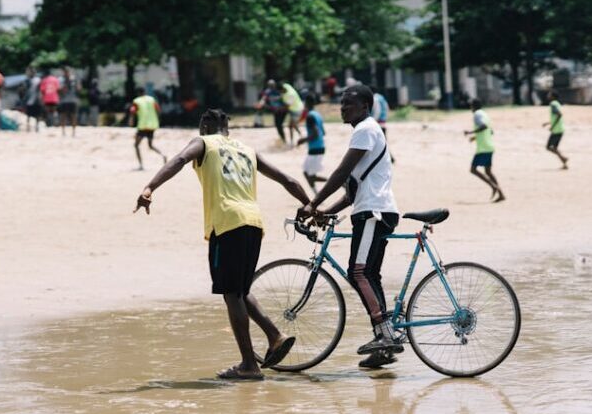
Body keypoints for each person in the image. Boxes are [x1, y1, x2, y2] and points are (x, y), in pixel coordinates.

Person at [133, 108, 311, 380]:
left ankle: (249, 365)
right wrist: (310, 205)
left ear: (204, 126)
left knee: (231, 293)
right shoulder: (247, 149)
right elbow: (288, 179)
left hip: (227, 223)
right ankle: (275, 335)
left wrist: (149, 187)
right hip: (254, 222)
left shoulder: (203, 143)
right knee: (240, 288)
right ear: (228, 127)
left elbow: (180, 159)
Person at [297, 84, 402, 370]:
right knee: (368, 274)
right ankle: (384, 343)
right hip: (373, 209)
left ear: (365, 107)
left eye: (349, 104)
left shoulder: (365, 129)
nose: (343, 108)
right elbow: (352, 191)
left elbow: (341, 172)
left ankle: (385, 334)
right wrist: (324, 212)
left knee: (358, 272)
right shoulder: (366, 131)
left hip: (373, 212)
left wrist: (312, 203)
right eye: (342, 104)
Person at [465, 99, 505, 202]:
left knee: (473, 169)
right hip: (489, 146)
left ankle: (494, 187)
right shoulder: (485, 114)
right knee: (488, 171)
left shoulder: (477, 115)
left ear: (473, 106)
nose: (470, 108)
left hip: (483, 148)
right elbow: (490, 131)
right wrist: (475, 137)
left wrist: (470, 132)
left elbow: (484, 126)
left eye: (470, 106)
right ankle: (501, 195)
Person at [296, 93, 327, 194]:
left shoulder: (310, 116)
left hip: (315, 149)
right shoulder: (317, 115)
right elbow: (323, 132)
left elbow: (315, 134)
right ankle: (317, 195)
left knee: (309, 175)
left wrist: (302, 140)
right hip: (320, 147)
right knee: (307, 173)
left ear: (306, 103)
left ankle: (338, 183)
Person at [130, 87, 167, 170]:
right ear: (144, 92)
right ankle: (163, 155)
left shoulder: (136, 101)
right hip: (153, 125)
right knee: (150, 145)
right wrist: (157, 120)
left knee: (136, 145)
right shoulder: (152, 99)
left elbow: (132, 111)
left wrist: (131, 121)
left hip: (143, 126)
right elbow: (158, 110)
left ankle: (141, 165)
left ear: (138, 93)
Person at [542, 91, 569, 169]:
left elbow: (559, 114)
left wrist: (552, 127)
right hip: (560, 129)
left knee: (548, 147)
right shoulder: (557, 103)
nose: (548, 95)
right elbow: (556, 117)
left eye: (549, 94)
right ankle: (564, 162)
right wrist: (548, 123)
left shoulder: (553, 104)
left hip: (556, 130)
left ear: (553, 97)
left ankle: (563, 158)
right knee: (554, 148)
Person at [260, 79, 288, 144]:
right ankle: (283, 139)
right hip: (275, 111)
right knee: (277, 125)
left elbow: (284, 98)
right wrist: (262, 103)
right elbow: (264, 99)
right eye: (270, 85)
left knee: (279, 124)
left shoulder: (278, 91)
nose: (271, 86)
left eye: (272, 85)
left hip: (282, 110)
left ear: (274, 85)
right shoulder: (267, 92)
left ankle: (283, 139)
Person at [371, 91, 395, 164]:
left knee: (380, 143)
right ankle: (390, 158)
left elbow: (377, 111)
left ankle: (390, 158)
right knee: (382, 142)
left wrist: (373, 121)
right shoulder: (382, 98)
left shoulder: (375, 99)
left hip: (378, 124)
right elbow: (387, 108)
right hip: (383, 123)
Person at [280, 81, 304, 145]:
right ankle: (301, 136)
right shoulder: (286, 85)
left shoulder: (291, 94)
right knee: (293, 125)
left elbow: (287, 106)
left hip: (297, 110)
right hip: (293, 110)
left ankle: (292, 142)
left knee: (291, 126)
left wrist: (278, 109)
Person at [58, 67, 79, 136]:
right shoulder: (61, 79)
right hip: (64, 100)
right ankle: (63, 132)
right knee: (63, 116)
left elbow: (78, 88)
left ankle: (74, 132)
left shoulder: (73, 79)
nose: (66, 73)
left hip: (73, 100)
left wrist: (76, 86)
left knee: (73, 116)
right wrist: (64, 87)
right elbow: (58, 90)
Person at [23, 67, 42, 132]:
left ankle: (37, 127)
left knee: (37, 114)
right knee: (28, 115)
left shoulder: (38, 80)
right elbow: (24, 90)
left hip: (36, 99)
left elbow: (40, 89)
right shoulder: (26, 80)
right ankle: (28, 128)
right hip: (29, 100)